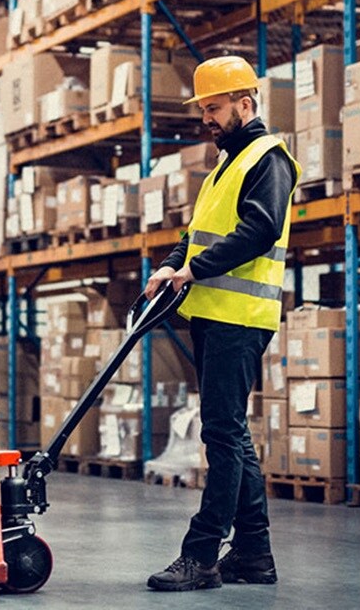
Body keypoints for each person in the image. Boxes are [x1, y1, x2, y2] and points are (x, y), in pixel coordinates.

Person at [143, 55, 300, 592]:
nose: (207, 117)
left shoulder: (267, 158)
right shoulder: (223, 167)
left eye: (214, 107)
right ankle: (254, 554)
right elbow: (198, 233)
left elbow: (260, 229)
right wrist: (170, 263)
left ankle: (202, 553)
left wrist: (195, 269)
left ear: (246, 104)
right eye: (203, 108)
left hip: (239, 317)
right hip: (211, 313)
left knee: (222, 435)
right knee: (232, 433)